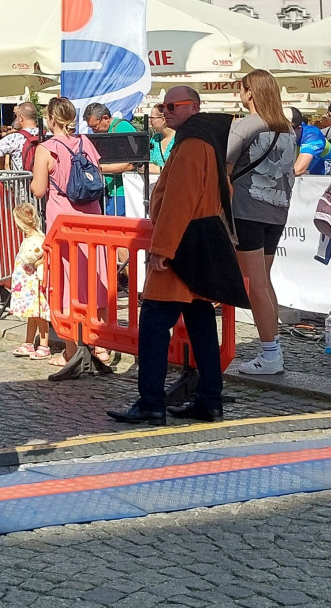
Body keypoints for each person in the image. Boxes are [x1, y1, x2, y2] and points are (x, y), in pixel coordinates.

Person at [107, 86, 248, 426]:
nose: (165, 110)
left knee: (155, 324)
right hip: (202, 240)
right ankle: (210, 400)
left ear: (193, 107)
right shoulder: (209, 140)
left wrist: (162, 249)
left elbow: (178, 201)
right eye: (163, 105)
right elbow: (222, 191)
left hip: (182, 246)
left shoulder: (190, 144)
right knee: (200, 324)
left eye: (172, 105)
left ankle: (152, 403)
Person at [30, 97, 111, 371]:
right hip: (93, 218)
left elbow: (39, 190)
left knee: (67, 282)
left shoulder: (47, 149)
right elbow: (97, 175)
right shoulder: (85, 143)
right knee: (96, 278)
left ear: (51, 119)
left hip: (65, 222)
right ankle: (101, 345)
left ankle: (71, 350)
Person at [226, 69, 295, 376]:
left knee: (254, 283)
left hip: (247, 208)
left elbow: (222, 166)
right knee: (264, 280)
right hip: (277, 209)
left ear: (249, 92)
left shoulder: (246, 125)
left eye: (241, 90)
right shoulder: (287, 127)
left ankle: (270, 352)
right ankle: (272, 347)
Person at [9, 203, 51, 360]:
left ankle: (44, 345)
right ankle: (28, 342)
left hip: (33, 282)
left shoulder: (37, 239)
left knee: (39, 315)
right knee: (31, 315)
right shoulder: (31, 238)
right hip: (26, 282)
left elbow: (44, 258)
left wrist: (36, 264)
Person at [83, 102, 136, 215]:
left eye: (95, 126)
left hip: (123, 191)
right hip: (111, 190)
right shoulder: (107, 131)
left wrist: (97, 169)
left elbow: (130, 164)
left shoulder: (122, 128)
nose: (93, 130)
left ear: (105, 118)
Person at [0, 101, 39, 171]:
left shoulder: (14, 138)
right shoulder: (47, 135)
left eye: (16, 116)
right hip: (44, 181)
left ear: (21, 118)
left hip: (22, 180)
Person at [290, 107, 331, 176]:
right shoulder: (293, 133)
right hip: (312, 178)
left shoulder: (312, 134)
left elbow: (298, 170)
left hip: (330, 179)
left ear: (298, 128)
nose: (282, 134)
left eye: (287, 130)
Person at [148, 105, 175, 172]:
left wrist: (160, 169)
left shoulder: (179, 139)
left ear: (163, 119)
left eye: (152, 118)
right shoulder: (155, 139)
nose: (149, 120)